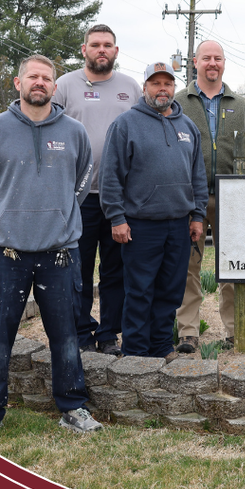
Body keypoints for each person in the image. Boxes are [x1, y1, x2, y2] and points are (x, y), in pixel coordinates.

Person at [0, 55, 101, 441]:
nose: (39, 83)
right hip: (5, 253)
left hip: (60, 251)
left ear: (54, 87)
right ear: (18, 83)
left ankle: (73, 407)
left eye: (46, 78)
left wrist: (59, 213)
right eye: (32, 77)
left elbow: (82, 180)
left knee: (65, 335)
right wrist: (8, 214)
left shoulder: (74, 132)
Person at [102, 62, 208, 359]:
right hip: (140, 225)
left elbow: (198, 175)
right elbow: (111, 176)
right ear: (144, 87)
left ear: (175, 88)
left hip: (178, 224)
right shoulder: (125, 125)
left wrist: (197, 215)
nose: (163, 89)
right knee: (139, 291)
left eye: (168, 84)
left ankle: (161, 345)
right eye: (156, 83)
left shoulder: (188, 128)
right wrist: (117, 218)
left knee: (170, 291)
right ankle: (136, 351)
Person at [52, 23, 141, 357]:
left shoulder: (130, 88)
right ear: (84, 49)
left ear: (116, 52)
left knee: (114, 270)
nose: (101, 50)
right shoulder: (64, 85)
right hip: (79, 198)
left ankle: (108, 334)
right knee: (78, 268)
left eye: (108, 45)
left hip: (120, 199)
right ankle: (82, 332)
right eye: (95, 44)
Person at [175, 40, 245, 351]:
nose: (212, 63)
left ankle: (235, 331)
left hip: (232, 197)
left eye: (218, 58)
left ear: (224, 63)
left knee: (234, 265)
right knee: (188, 266)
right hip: (191, 200)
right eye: (206, 58)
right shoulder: (178, 103)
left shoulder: (241, 104)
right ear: (195, 62)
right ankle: (187, 332)